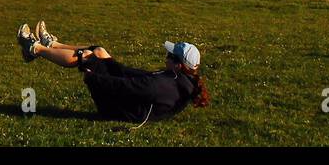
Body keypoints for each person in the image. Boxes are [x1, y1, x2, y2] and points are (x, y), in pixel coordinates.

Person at [17, 21, 209, 124]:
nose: (166, 56)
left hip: (118, 108)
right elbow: (137, 77)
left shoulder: (164, 85)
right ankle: (53, 44)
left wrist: (94, 78)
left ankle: (34, 48)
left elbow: (126, 87)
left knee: (86, 56)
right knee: (100, 51)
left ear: (178, 64)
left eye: (170, 54)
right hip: (129, 103)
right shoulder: (180, 80)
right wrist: (112, 64)